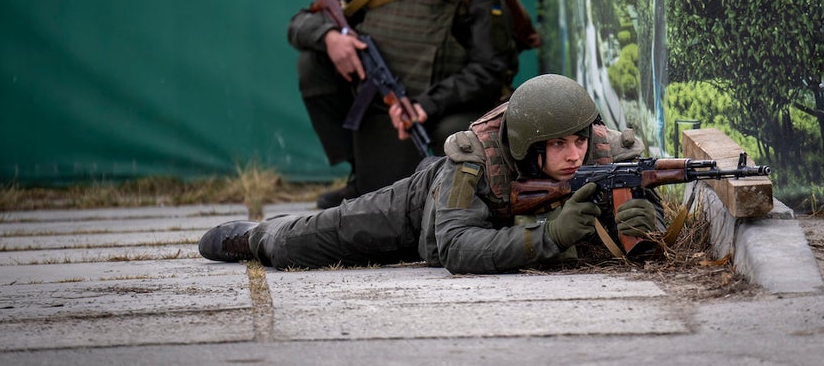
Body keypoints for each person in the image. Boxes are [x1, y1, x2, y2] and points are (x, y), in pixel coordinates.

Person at [199, 74, 665, 274]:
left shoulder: (613, 154)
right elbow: (456, 248)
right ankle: (252, 235)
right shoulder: (474, 159)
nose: (573, 154)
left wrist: (646, 224)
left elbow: (650, 216)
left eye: (578, 140)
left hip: (480, 223)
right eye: (558, 145)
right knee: (293, 246)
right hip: (422, 208)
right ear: (527, 147)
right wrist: (553, 235)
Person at [287, 0, 519, 209]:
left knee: (452, 137)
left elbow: (490, 71)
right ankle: (359, 176)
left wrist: (428, 104)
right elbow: (299, 22)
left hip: (442, 111)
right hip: (384, 108)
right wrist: (330, 37)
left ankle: (455, 195)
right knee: (313, 62)